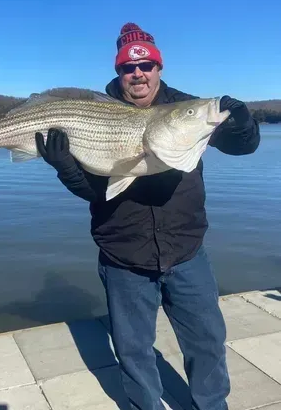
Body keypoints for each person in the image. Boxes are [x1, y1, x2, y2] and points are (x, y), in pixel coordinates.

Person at [35, 23, 260, 410]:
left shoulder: (184, 109)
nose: (138, 74)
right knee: (134, 351)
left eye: (147, 65)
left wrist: (242, 122)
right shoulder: (95, 113)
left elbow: (244, 147)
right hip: (124, 255)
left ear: (159, 66)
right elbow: (95, 192)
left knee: (207, 342)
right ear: (120, 71)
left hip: (187, 250)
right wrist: (64, 166)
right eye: (128, 68)